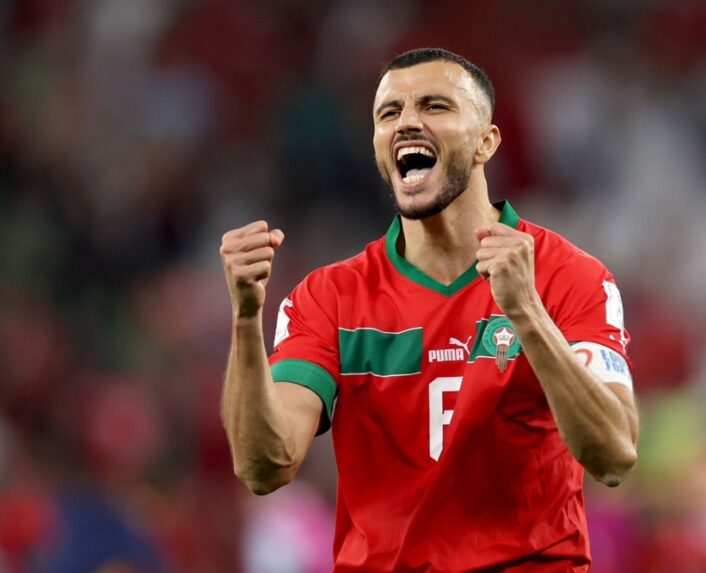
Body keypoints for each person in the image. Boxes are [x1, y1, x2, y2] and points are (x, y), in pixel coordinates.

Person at [220, 48, 639, 572]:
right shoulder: (329, 298)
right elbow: (265, 466)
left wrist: (528, 315)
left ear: (486, 141)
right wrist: (245, 320)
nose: (406, 123)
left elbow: (613, 453)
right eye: (389, 113)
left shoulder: (569, 277)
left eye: (434, 106)